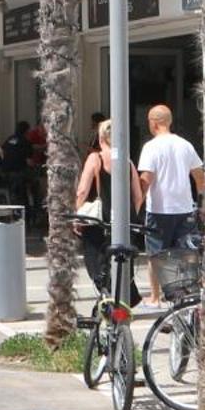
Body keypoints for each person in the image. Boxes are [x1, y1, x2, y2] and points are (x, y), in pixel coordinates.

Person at [137, 103, 204, 302]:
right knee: (185, 253)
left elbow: (145, 180)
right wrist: (200, 203)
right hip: (184, 208)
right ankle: (186, 294)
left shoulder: (151, 147)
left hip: (158, 209)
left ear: (154, 123)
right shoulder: (185, 145)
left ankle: (155, 296)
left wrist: (137, 205)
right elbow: (200, 177)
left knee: (156, 254)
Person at [75, 117, 144, 297]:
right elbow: (138, 196)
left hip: (102, 220)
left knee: (96, 261)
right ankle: (123, 300)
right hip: (125, 219)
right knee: (122, 262)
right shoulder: (127, 161)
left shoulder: (95, 158)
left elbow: (82, 190)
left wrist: (79, 214)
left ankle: (107, 297)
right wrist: (130, 215)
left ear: (101, 137)